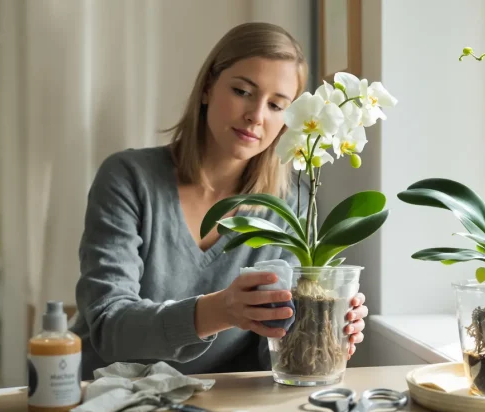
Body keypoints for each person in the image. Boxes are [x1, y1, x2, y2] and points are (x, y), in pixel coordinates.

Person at [70, 22, 368, 380]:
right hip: (105, 396)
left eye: (276, 105)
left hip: (218, 403)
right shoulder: (128, 179)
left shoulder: (292, 205)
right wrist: (221, 310)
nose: (256, 116)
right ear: (208, 87)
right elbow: (109, 328)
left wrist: (324, 326)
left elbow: (270, 354)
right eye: (243, 91)